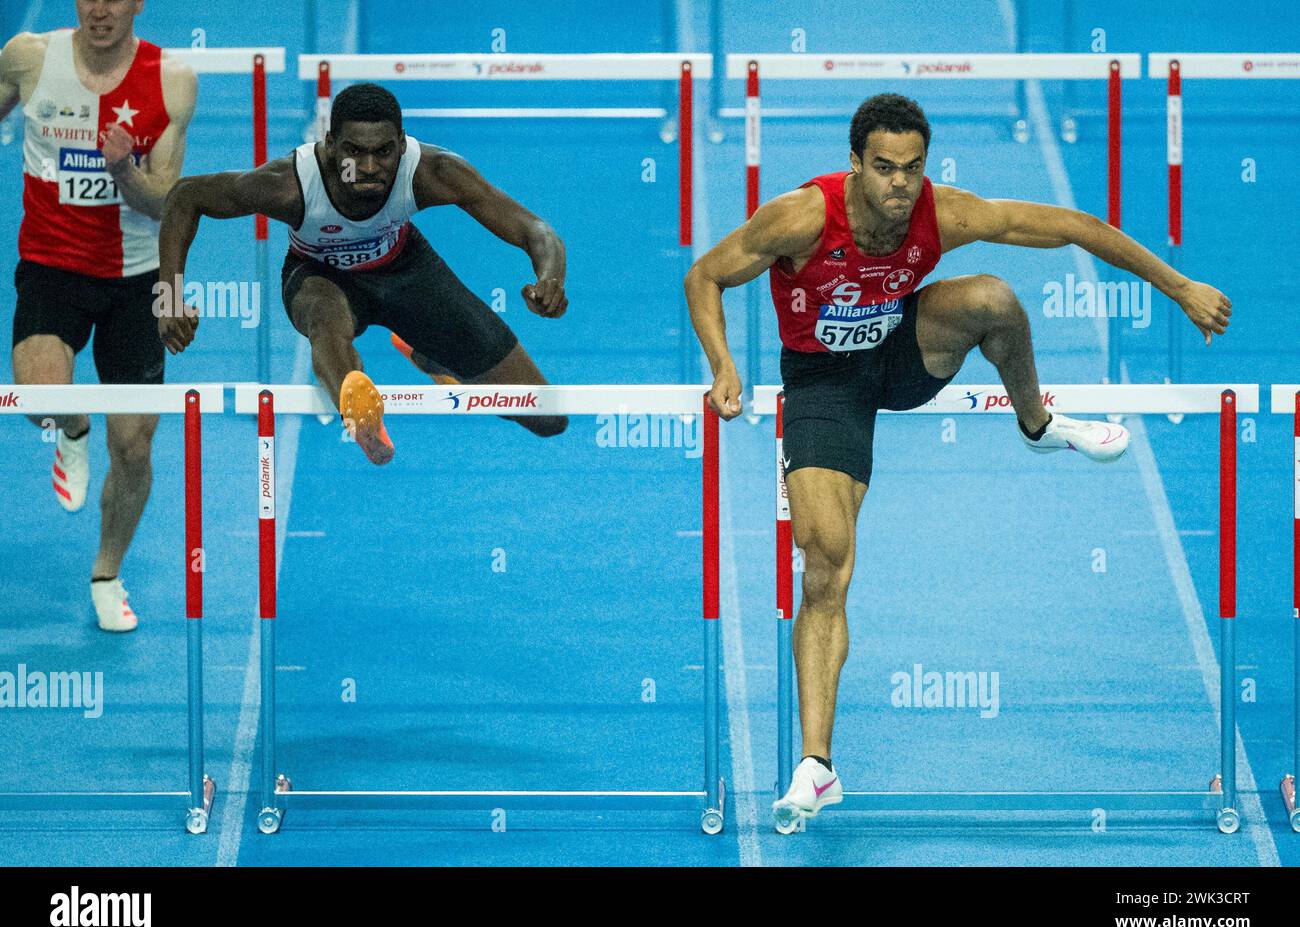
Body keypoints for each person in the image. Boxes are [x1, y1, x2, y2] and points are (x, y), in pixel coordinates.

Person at [684, 93, 1232, 828]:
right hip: (821, 384)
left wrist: (1180, 287)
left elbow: (1072, 227)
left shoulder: (943, 215)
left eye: (912, 168)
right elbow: (705, 275)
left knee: (994, 298)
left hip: (904, 351)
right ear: (855, 165)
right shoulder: (802, 217)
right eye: (883, 168)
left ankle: (1035, 422)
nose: (900, 184)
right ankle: (818, 766)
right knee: (824, 563)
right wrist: (722, 365)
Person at [157, 82, 569, 462]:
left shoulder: (432, 171)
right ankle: (359, 415)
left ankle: (431, 355)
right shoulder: (289, 184)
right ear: (331, 144)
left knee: (547, 418)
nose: (369, 166)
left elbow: (534, 229)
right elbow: (186, 197)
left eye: (384, 152)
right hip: (319, 274)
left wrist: (550, 277)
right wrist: (170, 297)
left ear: (402, 146)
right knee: (325, 320)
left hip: (406, 270)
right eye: (355, 151)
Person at [0, 2, 197, 631]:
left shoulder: (171, 80)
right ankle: (72, 424)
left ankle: (107, 573)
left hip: (137, 281)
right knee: (36, 396)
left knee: (134, 450)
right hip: (53, 266)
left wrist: (121, 171)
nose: (101, 9)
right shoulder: (29, 56)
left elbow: (166, 202)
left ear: (138, 3)